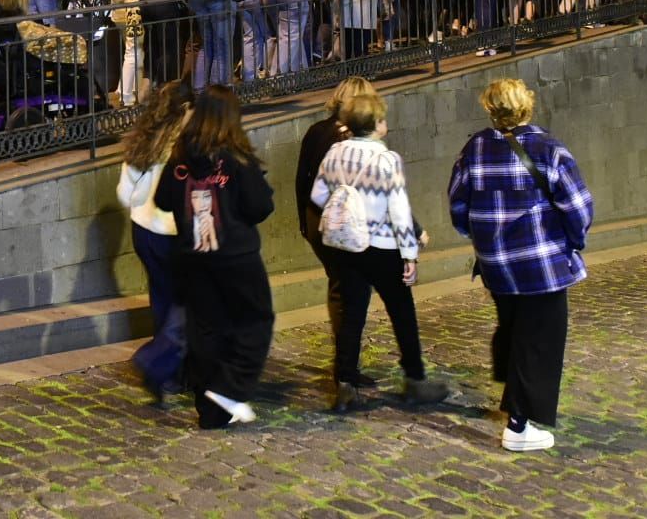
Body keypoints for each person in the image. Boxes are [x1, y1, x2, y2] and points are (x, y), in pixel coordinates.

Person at [449, 79, 594, 452]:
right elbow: (578, 206)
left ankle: (512, 397)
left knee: (515, 330)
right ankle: (519, 425)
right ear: (527, 106)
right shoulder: (549, 148)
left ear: (491, 108)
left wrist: (480, 237)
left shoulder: (474, 148)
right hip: (540, 262)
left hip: (497, 264)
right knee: (540, 341)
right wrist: (574, 242)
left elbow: (458, 205)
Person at [311, 92, 448, 409]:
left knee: (352, 315)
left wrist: (347, 210)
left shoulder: (335, 153)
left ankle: (345, 384)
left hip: (347, 246)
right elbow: (399, 210)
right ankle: (415, 380)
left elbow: (319, 195)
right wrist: (409, 253)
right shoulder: (387, 160)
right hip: (383, 247)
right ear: (376, 124)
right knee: (402, 312)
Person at [153, 85, 275, 428]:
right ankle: (228, 389)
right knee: (255, 323)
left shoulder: (180, 158)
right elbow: (260, 206)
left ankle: (211, 411)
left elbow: (163, 200)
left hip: (192, 258)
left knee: (206, 330)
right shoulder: (236, 158)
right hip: (236, 258)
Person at [116, 77, 195, 403]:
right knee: (186, 305)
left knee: (162, 299)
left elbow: (124, 194)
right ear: (187, 108)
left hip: (142, 231)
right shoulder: (187, 146)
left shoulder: (143, 142)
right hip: (173, 233)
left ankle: (169, 370)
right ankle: (160, 363)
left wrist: (143, 200)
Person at [293, 77, 376, 369]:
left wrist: (304, 221)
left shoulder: (316, 131)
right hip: (344, 224)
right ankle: (346, 368)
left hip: (317, 219)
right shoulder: (356, 141)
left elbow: (302, 180)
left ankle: (346, 363)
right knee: (353, 296)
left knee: (340, 288)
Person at [107, 0, 143, 106]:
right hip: (128, 14)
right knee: (133, 52)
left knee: (130, 51)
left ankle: (123, 89)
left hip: (118, 14)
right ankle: (127, 95)